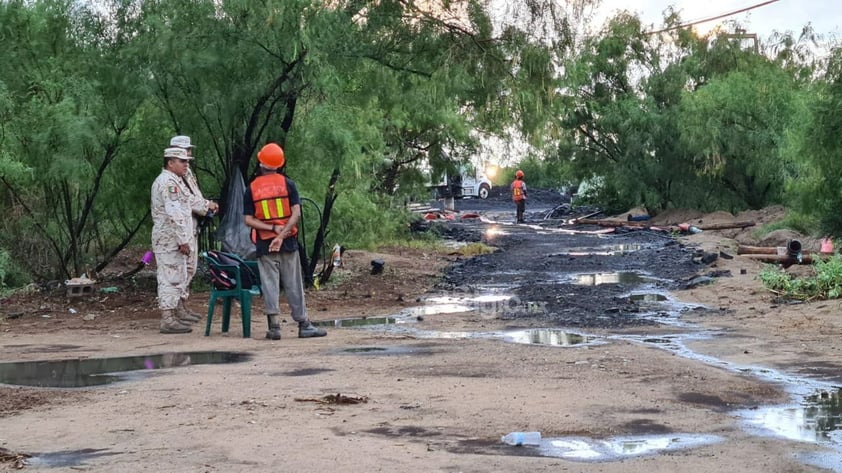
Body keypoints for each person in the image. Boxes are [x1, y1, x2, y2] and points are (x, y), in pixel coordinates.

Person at [243, 142, 327, 340]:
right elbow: (296, 213)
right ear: (279, 164)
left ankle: (274, 327)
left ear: (260, 161)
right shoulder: (288, 184)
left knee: (270, 284)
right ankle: (303, 324)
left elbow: (248, 220)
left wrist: (271, 230)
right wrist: (281, 236)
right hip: (288, 242)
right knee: (293, 283)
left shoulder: (252, 188)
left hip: (264, 244)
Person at [169, 135, 219, 323]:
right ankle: (175, 308)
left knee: (190, 268)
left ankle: (182, 303)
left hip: (193, 225)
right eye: (184, 151)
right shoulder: (173, 179)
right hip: (182, 228)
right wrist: (206, 206)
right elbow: (188, 201)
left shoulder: (187, 173)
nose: (188, 154)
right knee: (181, 269)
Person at [151, 147, 197, 334]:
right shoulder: (168, 183)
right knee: (169, 278)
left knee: (178, 276)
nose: (186, 164)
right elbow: (174, 213)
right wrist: (182, 240)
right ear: (170, 162)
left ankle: (175, 312)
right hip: (169, 240)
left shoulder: (175, 181)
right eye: (182, 161)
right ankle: (168, 318)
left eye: (187, 161)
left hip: (172, 239)